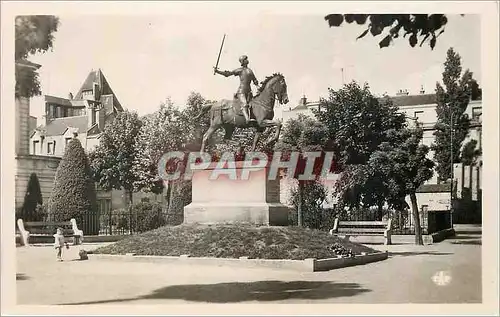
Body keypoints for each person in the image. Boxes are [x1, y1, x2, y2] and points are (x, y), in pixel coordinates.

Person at [214, 55, 259, 123]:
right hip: (241, 92)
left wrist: (258, 86)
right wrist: (218, 71)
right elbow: (228, 74)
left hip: (249, 92)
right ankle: (247, 119)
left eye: (247, 59)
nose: (247, 60)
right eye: (245, 59)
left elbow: (254, 80)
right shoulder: (240, 70)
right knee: (244, 104)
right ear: (243, 61)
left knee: (254, 105)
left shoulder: (250, 70)